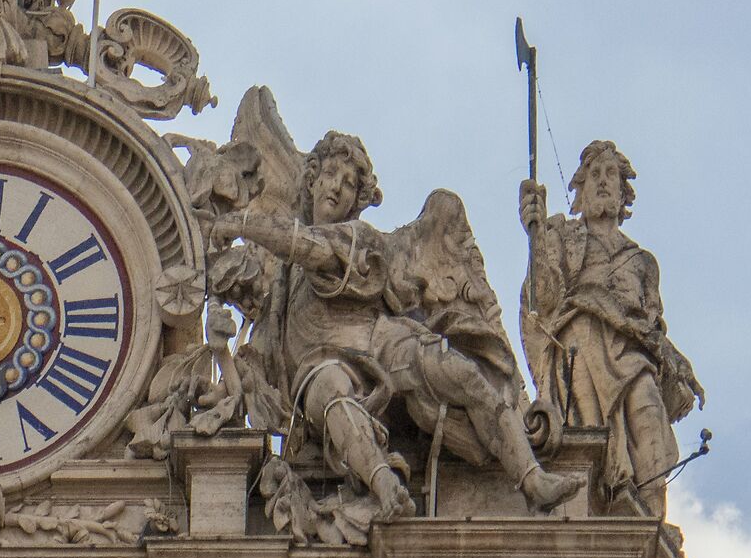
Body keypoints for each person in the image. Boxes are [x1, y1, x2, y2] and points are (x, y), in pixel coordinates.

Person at [215, 132, 583, 516]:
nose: (337, 187)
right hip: (320, 366)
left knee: (459, 371)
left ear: (357, 200)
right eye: (331, 174)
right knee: (331, 390)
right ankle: (387, 488)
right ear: (312, 180)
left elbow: (308, 246)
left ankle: (531, 476)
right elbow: (257, 360)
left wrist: (240, 224)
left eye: (349, 184)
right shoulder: (281, 283)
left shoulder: (358, 238)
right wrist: (219, 349)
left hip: (379, 341)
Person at [521, 140, 703, 516]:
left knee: (650, 418)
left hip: (632, 355)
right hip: (579, 349)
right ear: (580, 189)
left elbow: (652, 326)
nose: (603, 181)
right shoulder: (564, 238)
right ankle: (596, 511)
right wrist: (536, 236)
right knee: (590, 441)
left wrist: (674, 363)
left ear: (623, 196)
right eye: (594, 175)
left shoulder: (643, 262)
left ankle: (654, 521)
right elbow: (544, 302)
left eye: (611, 175)